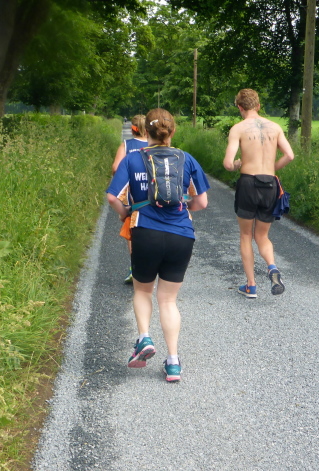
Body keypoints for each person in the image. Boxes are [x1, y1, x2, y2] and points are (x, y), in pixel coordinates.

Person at [106, 108, 210, 382]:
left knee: (143, 291)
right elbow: (201, 202)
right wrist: (184, 206)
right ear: (172, 131)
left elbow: (112, 196)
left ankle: (144, 338)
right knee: (168, 300)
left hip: (146, 233)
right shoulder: (187, 159)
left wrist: (125, 213)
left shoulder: (133, 158)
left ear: (145, 132)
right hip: (181, 235)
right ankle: (173, 363)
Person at [223, 88, 295, 298]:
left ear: (239, 107)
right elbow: (289, 155)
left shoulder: (238, 129)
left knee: (246, 235)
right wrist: (271, 168)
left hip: (248, 183)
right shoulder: (275, 127)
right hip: (270, 183)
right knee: (262, 235)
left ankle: (251, 285)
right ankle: (272, 267)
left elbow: (228, 163)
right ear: (258, 105)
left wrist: (238, 164)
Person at [111, 115, 148, 283]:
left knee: (132, 227)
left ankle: (135, 267)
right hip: (155, 193)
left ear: (133, 129)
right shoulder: (154, 144)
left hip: (133, 195)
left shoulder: (126, 145)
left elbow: (115, 168)